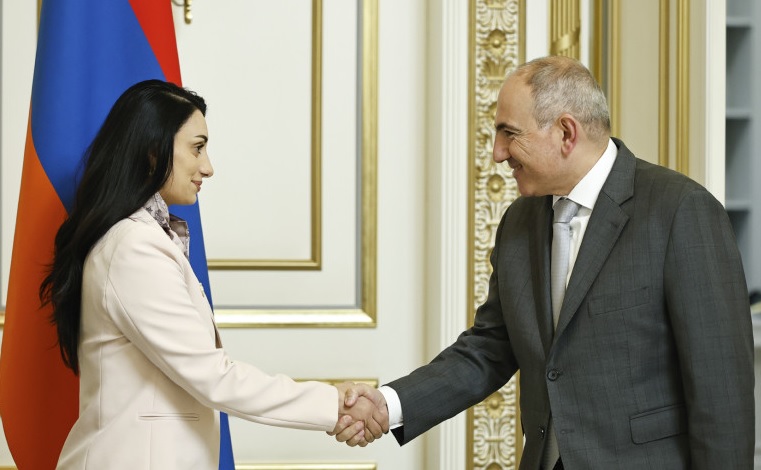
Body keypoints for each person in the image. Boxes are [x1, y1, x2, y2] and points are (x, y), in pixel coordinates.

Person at [335, 56, 755, 469]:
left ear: (566, 133)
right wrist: (388, 404)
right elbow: (489, 348)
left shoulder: (680, 210)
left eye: (509, 134)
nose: (498, 153)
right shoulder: (519, 221)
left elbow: (721, 392)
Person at [40, 79, 387, 469]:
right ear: (153, 151)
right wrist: (332, 402)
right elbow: (213, 376)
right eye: (197, 148)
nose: (207, 167)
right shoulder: (134, 247)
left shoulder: (142, 239)